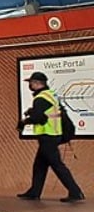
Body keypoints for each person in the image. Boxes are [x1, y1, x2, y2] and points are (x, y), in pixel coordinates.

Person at [17, 71, 84, 202]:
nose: (29, 85)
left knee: (57, 165)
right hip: (53, 134)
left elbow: (39, 118)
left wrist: (24, 122)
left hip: (48, 136)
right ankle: (34, 192)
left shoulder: (41, 98)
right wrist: (32, 111)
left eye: (31, 83)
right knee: (39, 165)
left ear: (37, 83)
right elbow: (47, 112)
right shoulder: (50, 94)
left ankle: (75, 192)